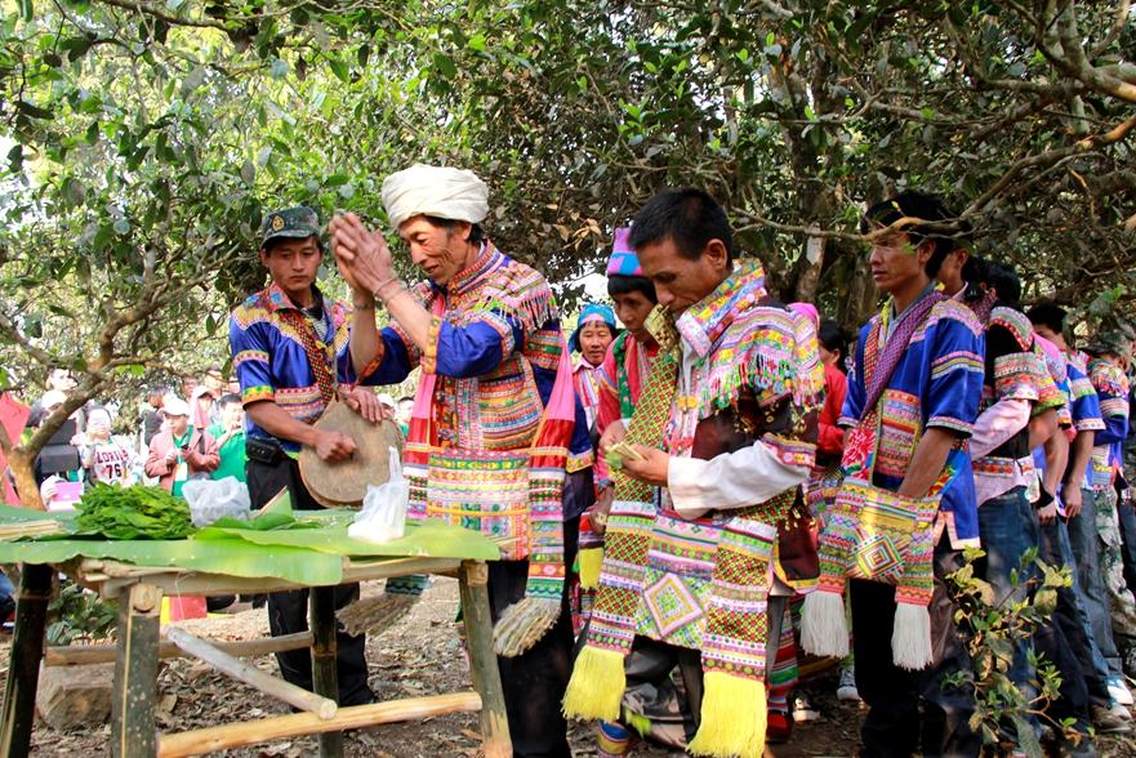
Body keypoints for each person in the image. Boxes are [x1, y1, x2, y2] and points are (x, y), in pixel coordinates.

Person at [329, 164, 594, 757]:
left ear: (464, 226)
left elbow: (458, 353)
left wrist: (391, 286)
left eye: (421, 239)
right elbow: (371, 365)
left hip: (531, 505)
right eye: (404, 244)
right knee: (489, 655)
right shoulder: (427, 297)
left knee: (529, 663)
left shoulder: (522, 287)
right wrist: (364, 295)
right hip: (464, 499)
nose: (415, 255)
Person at [563, 188, 823, 758]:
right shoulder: (690, 331)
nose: (660, 296)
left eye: (668, 279)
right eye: (653, 282)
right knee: (683, 695)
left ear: (715, 255)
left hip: (746, 552)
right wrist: (628, 441)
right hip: (684, 544)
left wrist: (673, 473)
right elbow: (679, 425)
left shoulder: (771, 332)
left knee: (722, 707)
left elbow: (791, 457)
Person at [803, 190, 985, 756]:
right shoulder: (871, 333)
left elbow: (947, 428)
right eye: (872, 244)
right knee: (883, 673)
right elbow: (856, 425)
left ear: (926, 248)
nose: (875, 256)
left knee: (934, 671)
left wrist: (898, 516)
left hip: (923, 523)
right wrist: (855, 510)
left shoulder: (955, 324)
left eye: (888, 243)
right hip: (874, 519)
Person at [228, 205, 384, 707]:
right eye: (286, 255)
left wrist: (356, 394)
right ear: (267, 260)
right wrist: (313, 437)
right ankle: (302, 692)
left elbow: (358, 368)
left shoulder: (338, 314)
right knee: (289, 583)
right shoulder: (251, 316)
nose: (299, 264)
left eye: (308, 253)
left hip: (330, 463)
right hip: (275, 461)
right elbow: (259, 405)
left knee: (341, 578)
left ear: (320, 256)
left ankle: (352, 690)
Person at [1030, 304, 1136, 713]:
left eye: (1043, 333)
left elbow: (1104, 428)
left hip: (1085, 486)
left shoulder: (1082, 372)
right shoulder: (1047, 364)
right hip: (1055, 488)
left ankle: (1105, 673)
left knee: (1088, 578)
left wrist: (1071, 481)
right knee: (1064, 580)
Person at [144, 398, 218, 495]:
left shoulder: (204, 437)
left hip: (198, 496)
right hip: (169, 498)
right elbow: (149, 469)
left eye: (175, 417)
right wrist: (166, 462)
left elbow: (215, 462)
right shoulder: (158, 440)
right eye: (167, 417)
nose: (170, 422)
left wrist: (193, 457)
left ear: (186, 417)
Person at [571, 303, 618, 436]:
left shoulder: (623, 373)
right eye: (588, 335)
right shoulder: (570, 378)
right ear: (578, 340)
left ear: (614, 339)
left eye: (602, 335)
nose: (595, 343)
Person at [80, 408, 135, 486]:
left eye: (104, 420)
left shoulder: (121, 442)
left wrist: (134, 478)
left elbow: (135, 462)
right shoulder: (82, 444)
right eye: (96, 422)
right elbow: (86, 464)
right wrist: (91, 441)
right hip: (98, 491)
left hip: (124, 488)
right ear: (87, 424)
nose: (101, 425)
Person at [206, 394, 247, 483]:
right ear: (222, 410)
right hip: (218, 487)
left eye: (241, 411)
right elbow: (206, 452)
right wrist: (228, 434)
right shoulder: (211, 431)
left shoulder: (248, 432)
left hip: (245, 486)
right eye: (234, 411)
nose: (237, 415)